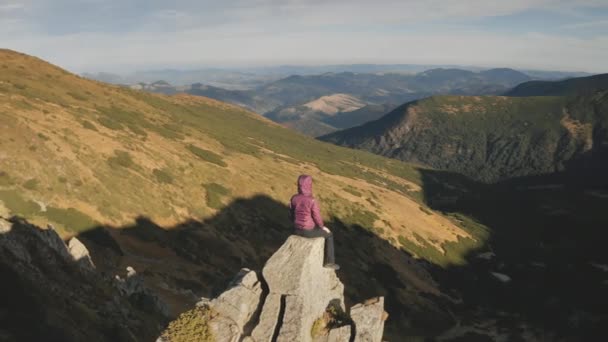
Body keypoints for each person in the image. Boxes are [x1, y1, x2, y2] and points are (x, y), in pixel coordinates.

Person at [289, 174, 340, 270]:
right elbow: (317, 217)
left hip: (296, 229)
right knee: (329, 235)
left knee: (314, 228)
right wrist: (322, 227)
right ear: (309, 185)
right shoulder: (312, 200)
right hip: (307, 231)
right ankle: (329, 262)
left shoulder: (294, 198)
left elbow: (291, 214)